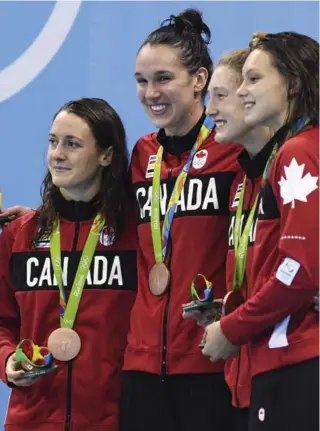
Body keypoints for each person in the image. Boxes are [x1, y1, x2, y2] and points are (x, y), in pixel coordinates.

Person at [120, 9, 241, 431]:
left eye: (163, 78)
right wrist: (36, 219)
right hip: (141, 369)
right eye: (141, 80)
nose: (150, 92)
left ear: (200, 80)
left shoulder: (232, 152)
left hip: (210, 363)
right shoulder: (139, 155)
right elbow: (100, 219)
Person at [202, 31, 319, 431]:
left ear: (293, 83)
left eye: (253, 80)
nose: (242, 91)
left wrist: (232, 328)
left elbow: (300, 270)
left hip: (296, 361)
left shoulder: (298, 151)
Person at [0, 98, 137, 430]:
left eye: (72, 144)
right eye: (52, 141)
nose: (57, 154)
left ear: (107, 155)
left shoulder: (137, 237)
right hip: (31, 420)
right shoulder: (20, 235)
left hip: (112, 419)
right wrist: (6, 361)